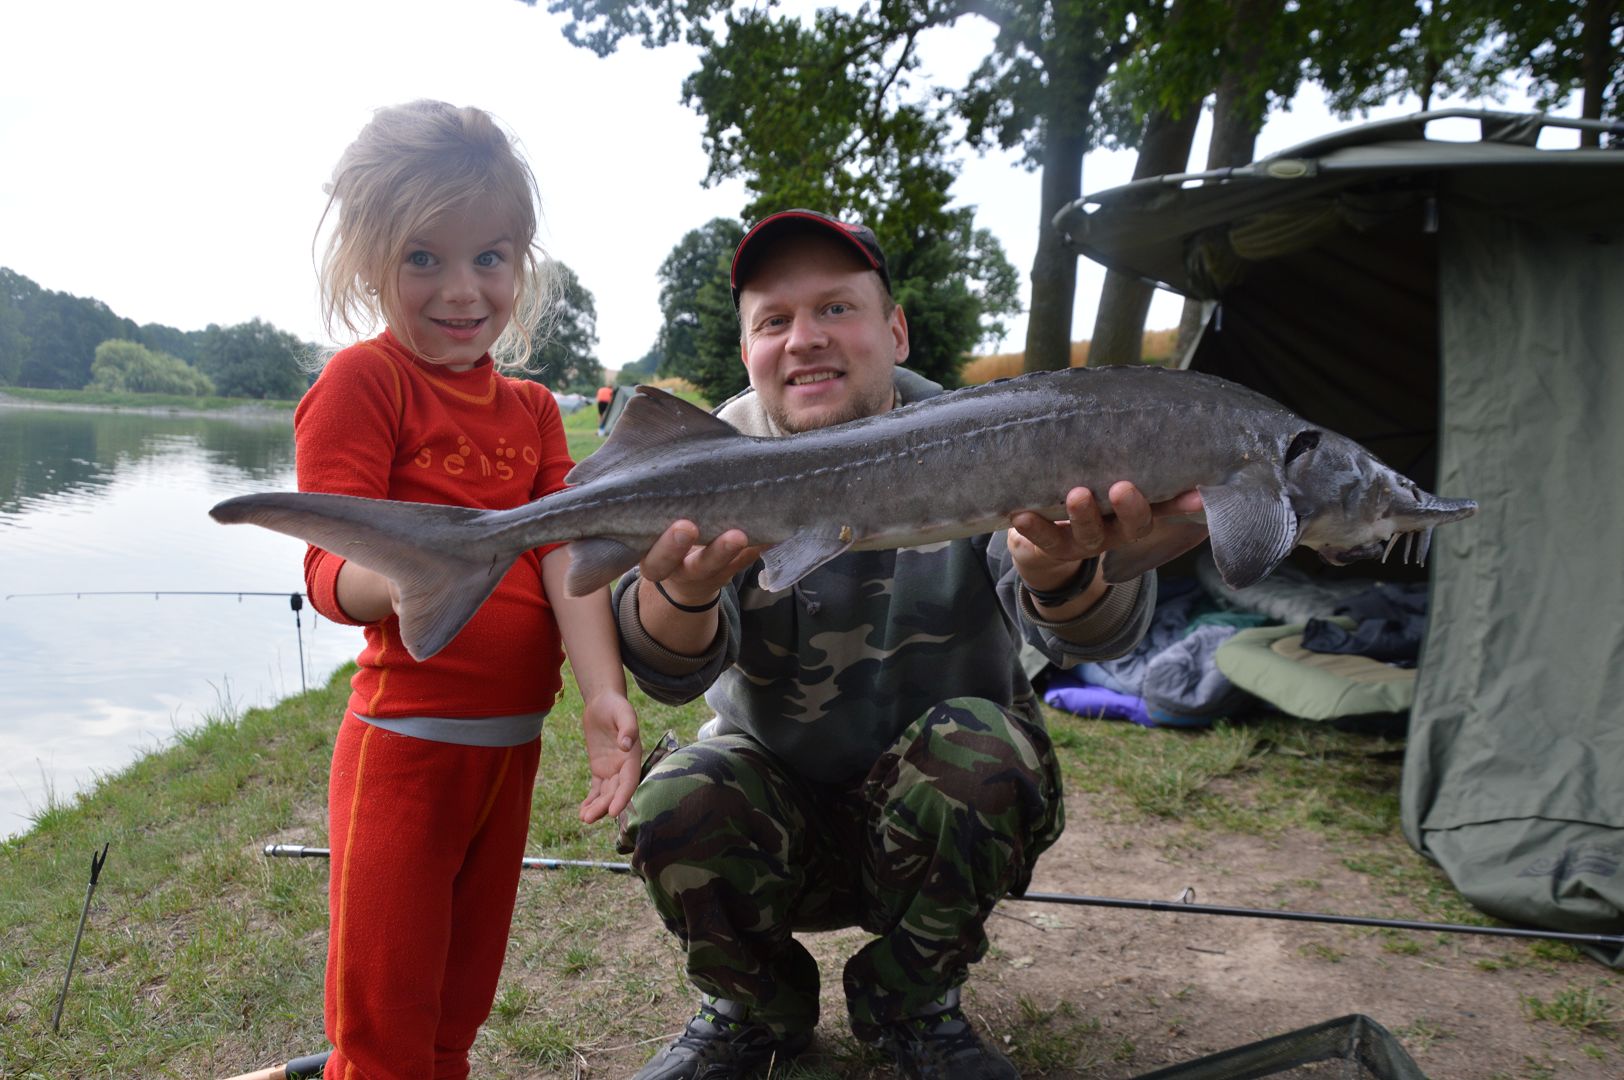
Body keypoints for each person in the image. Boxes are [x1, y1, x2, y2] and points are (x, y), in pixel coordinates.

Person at [614, 209, 1204, 1080]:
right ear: (748, 350)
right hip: (772, 817)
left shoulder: (995, 431)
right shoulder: (710, 459)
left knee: (983, 755)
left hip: (944, 812)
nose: (805, 339)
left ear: (895, 330)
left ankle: (911, 1004)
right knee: (678, 795)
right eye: (774, 320)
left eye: (836, 308)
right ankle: (753, 1011)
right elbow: (667, 670)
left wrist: (1062, 573)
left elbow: (1095, 632)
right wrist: (682, 593)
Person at [296, 100, 642, 1080]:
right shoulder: (365, 384)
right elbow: (326, 573)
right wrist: (417, 573)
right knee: (383, 1028)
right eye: (423, 258)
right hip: (403, 752)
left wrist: (601, 695)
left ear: (521, 262)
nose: (461, 288)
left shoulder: (532, 411)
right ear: (369, 262)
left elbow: (566, 554)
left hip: (510, 754)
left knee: (456, 1013)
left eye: (489, 257)